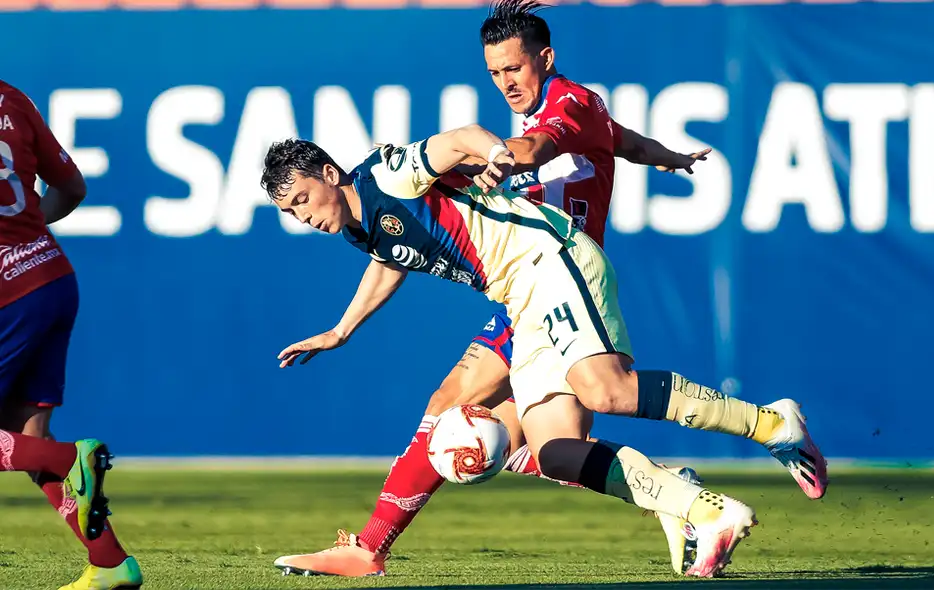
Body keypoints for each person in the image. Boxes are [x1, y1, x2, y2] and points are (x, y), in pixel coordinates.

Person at [273, 0, 722, 578]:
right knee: (527, 446)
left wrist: (500, 156)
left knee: (457, 410)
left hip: (553, 278)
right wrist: (669, 156)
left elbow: (530, 148)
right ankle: (676, 494)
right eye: (494, 72)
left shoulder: (565, 105)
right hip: (530, 287)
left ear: (544, 58)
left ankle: (369, 547)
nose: (505, 82)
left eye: (513, 67)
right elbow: (623, 142)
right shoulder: (564, 115)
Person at [258, 119, 823, 576]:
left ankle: (770, 424)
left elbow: (459, 138)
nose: (303, 217)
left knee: (604, 392)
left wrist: (495, 153)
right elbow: (390, 258)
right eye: (291, 212)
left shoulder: (386, 173)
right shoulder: (358, 225)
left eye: (303, 199)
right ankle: (690, 502)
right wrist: (342, 330)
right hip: (519, 298)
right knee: (555, 452)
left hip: (549, 260)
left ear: (329, 173)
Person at [0, 80, 143, 590]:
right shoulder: (11, 99)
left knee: (44, 450)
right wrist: (25, 231)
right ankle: (111, 562)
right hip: (50, 275)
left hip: (6, 294)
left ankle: (71, 460)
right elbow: (72, 188)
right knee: (25, 435)